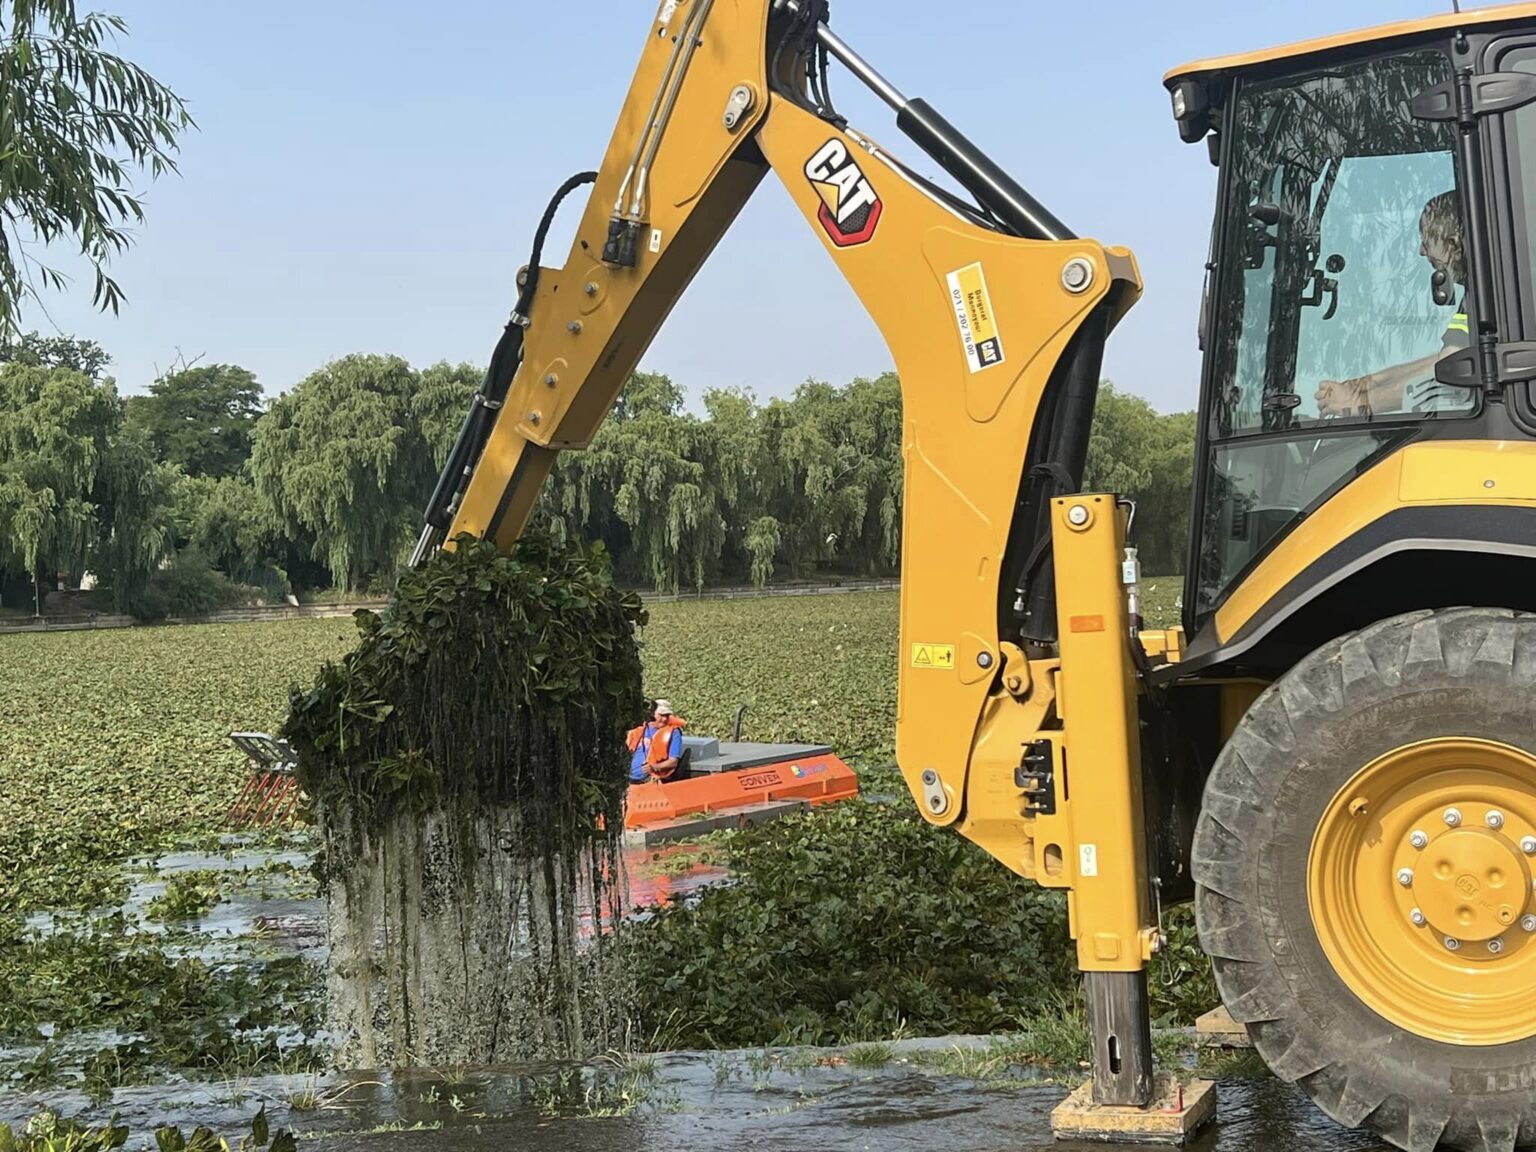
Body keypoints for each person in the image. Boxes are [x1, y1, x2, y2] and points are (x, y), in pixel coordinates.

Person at [1315, 189, 1470, 417]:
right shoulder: (1482, 298)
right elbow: (1447, 359)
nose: (1421, 251)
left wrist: (1363, 402)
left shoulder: (1494, 296)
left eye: (1426, 241)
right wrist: (1364, 385)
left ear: (1452, 246)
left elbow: (1455, 369)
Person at [628, 699, 686, 783]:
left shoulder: (674, 732)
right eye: (661, 715)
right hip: (629, 779)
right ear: (652, 714)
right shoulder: (638, 728)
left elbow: (673, 762)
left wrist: (654, 767)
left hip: (651, 780)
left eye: (667, 715)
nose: (664, 719)